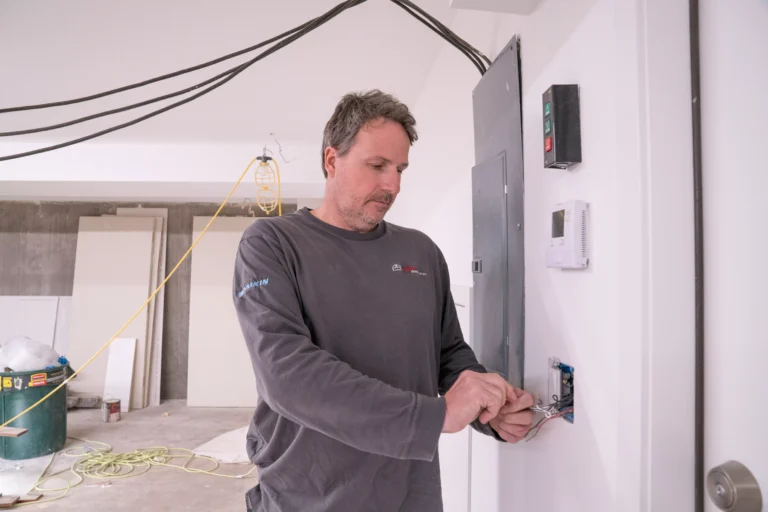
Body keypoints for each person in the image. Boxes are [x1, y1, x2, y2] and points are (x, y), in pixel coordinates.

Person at [233, 89, 535, 512]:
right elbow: (286, 373)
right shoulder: (273, 244)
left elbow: (448, 356)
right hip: (307, 494)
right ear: (331, 160)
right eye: (377, 166)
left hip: (410, 492)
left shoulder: (420, 253)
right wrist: (435, 416)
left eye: (399, 169)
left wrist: (490, 411)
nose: (391, 184)